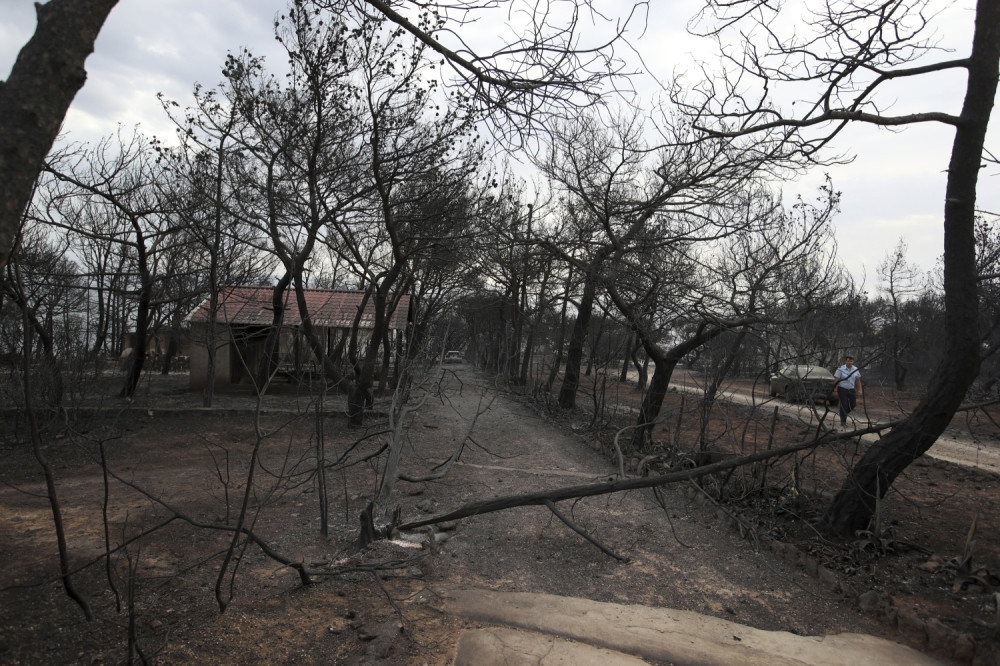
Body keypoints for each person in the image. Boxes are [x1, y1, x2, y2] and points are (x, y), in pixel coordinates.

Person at [832, 356, 862, 428]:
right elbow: (836, 380)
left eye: (851, 361)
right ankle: (843, 421)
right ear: (845, 361)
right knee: (844, 405)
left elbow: (858, 381)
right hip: (842, 389)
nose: (849, 363)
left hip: (851, 389)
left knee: (853, 404)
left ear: (853, 362)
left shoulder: (855, 369)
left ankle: (843, 413)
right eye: (848, 361)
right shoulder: (840, 369)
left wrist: (860, 390)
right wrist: (835, 390)